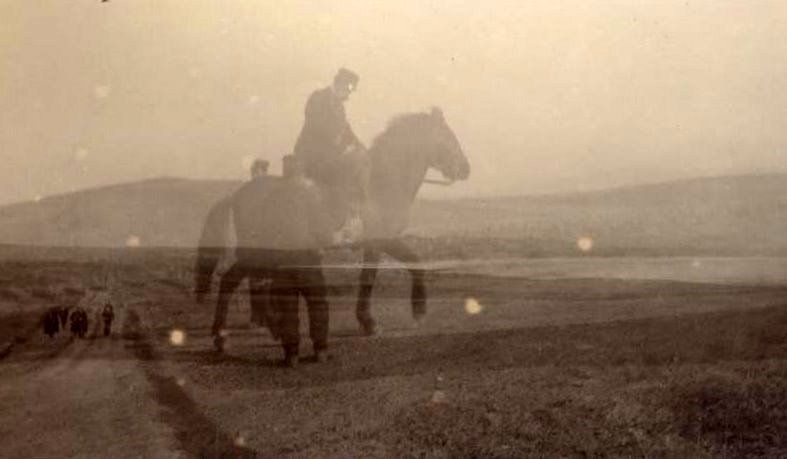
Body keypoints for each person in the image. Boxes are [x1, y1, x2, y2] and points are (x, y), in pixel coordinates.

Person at [293, 68, 367, 229]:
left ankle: (352, 215)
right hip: (310, 154)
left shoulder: (339, 106)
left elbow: (346, 131)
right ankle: (334, 220)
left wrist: (362, 148)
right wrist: (339, 144)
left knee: (359, 163)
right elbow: (315, 125)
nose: (349, 95)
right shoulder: (318, 98)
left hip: (329, 156)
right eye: (349, 89)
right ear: (340, 83)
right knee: (343, 174)